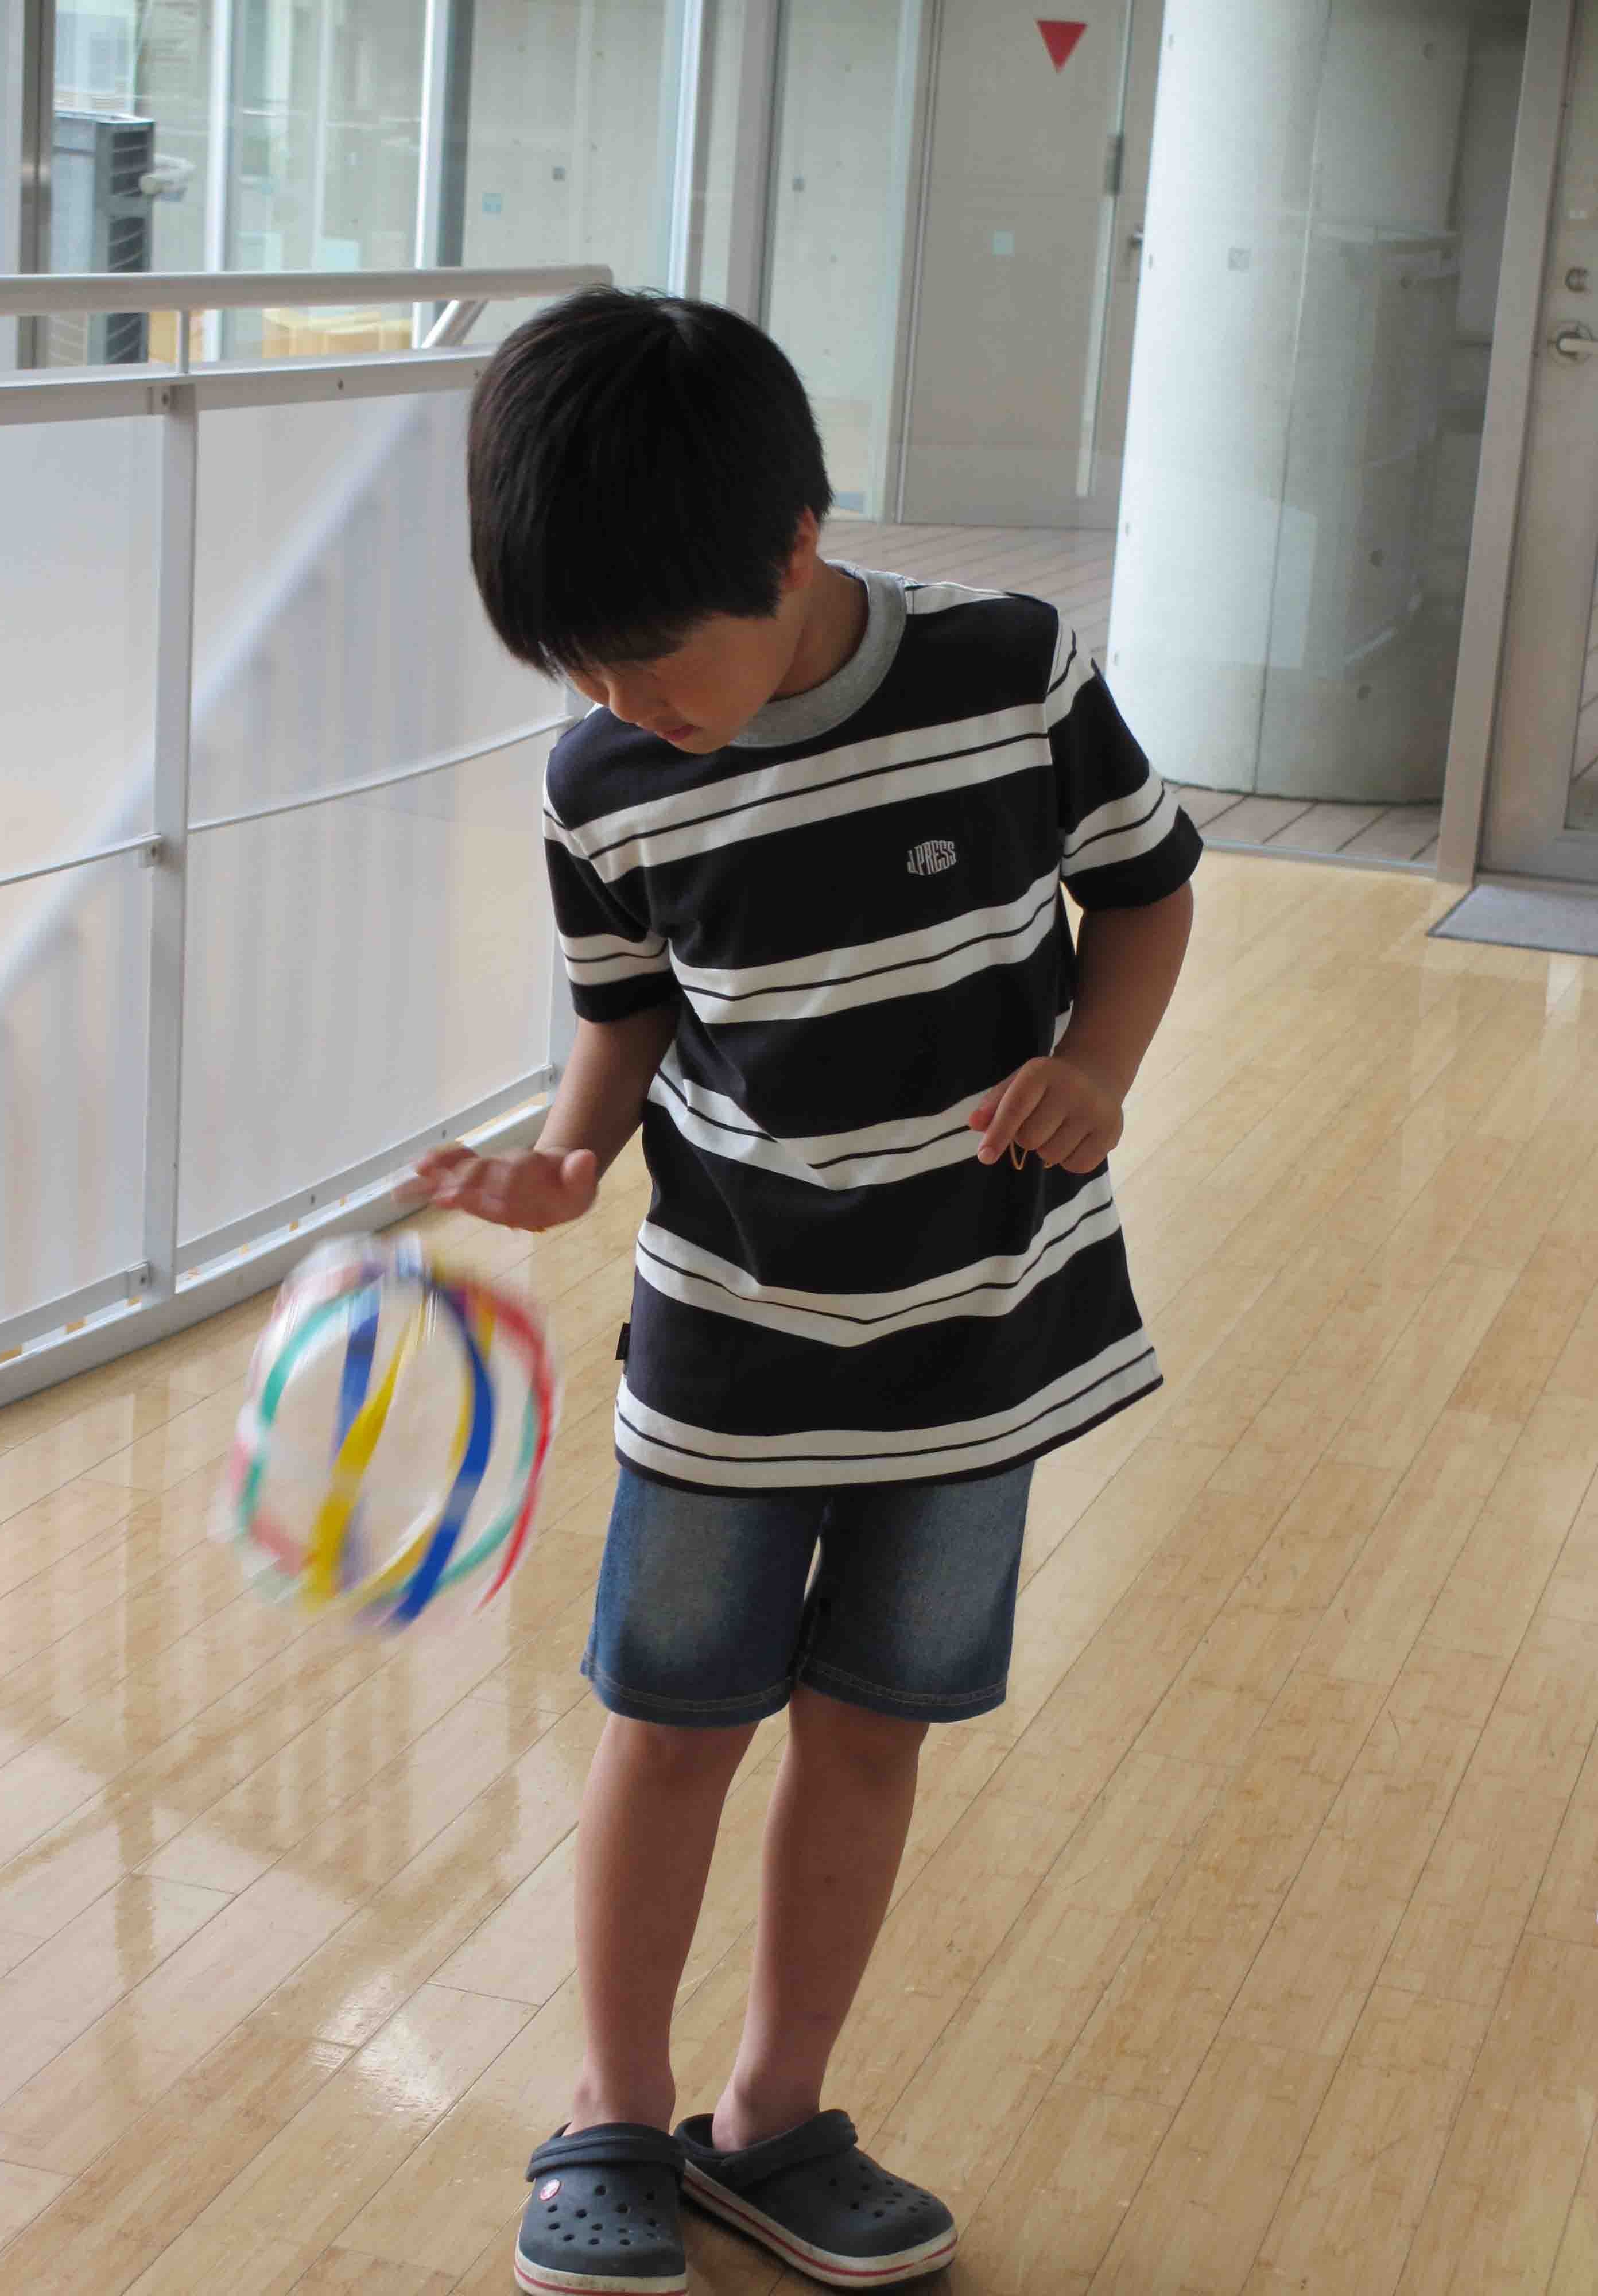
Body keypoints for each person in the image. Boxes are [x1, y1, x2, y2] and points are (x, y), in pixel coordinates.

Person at [403, 288, 1200, 2295]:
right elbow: (627, 1011)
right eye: (581, 664)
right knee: (669, 1726)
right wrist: (567, 1158)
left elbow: (1146, 888)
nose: (626, 697)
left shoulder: (1011, 671)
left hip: (978, 1330)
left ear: (797, 543)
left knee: (873, 1727)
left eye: (652, 653)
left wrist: (1098, 1068)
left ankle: (770, 2122)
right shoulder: (603, 775)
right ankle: (611, 2112)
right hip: (730, 1332)